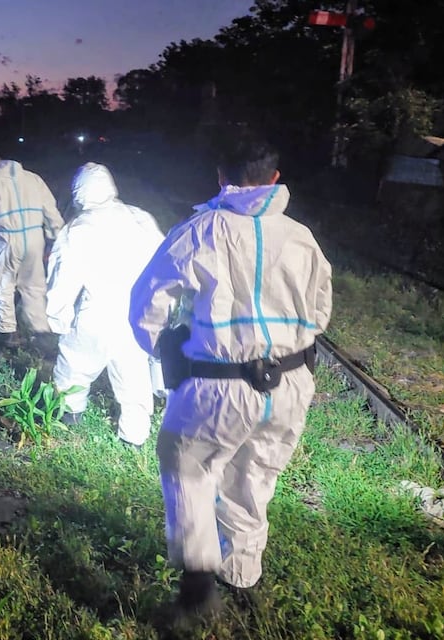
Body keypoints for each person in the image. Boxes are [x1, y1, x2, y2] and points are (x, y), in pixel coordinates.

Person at [128, 135, 332, 621]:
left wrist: (159, 346)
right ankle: (241, 576)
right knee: (255, 474)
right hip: (290, 381)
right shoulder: (302, 237)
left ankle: (198, 579)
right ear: (275, 180)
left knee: (188, 463)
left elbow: (147, 301)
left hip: (216, 384)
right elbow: (322, 306)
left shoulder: (201, 230)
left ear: (221, 177)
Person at [45, 163, 165, 445]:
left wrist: (58, 319)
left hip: (94, 314)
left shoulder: (76, 229)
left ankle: (69, 416)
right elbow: (165, 263)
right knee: (134, 376)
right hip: (135, 315)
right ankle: (133, 437)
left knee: (74, 366)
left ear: (79, 193)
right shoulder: (140, 218)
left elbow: (61, 280)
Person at [0, 154, 64, 347]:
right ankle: (41, 331)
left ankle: (6, 331)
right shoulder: (33, 178)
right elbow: (51, 210)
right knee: (33, 285)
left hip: (8, 238)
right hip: (35, 238)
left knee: (2, 283)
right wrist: (54, 234)